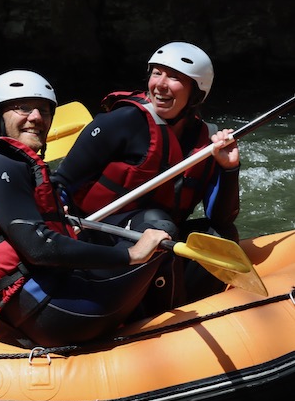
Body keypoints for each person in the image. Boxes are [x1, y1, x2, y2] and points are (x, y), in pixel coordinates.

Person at [0, 70, 171, 348]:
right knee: (160, 237)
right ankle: (167, 333)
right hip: (60, 316)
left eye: (44, 110)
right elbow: (40, 249)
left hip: (27, 313)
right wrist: (132, 254)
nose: (37, 118)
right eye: (23, 108)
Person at [53, 41, 240, 312]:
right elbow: (61, 183)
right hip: (95, 238)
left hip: (155, 238)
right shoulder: (120, 122)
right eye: (156, 73)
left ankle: (188, 309)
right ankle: (156, 317)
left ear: (196, 93)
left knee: (221, 236)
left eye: (174, 77)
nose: (160, 84)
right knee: (157, 224)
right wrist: (57, 216)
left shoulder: (206, 142)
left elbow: (222, 218)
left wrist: (229, 169)